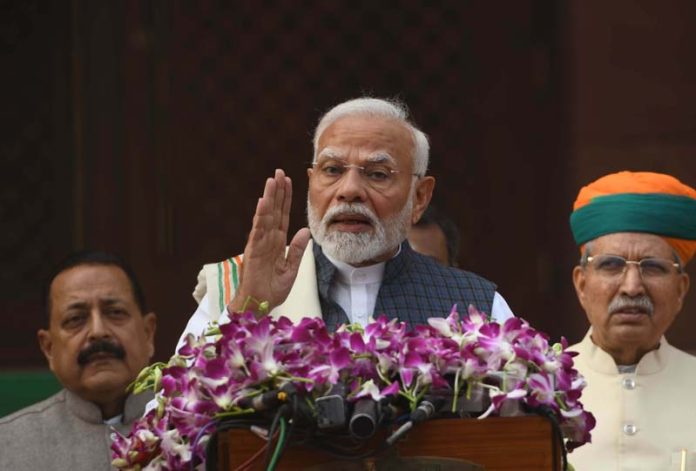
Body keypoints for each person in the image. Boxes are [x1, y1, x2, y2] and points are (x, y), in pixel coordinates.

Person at [181, 97, 514, 343]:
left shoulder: (476, 305)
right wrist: (248, 307)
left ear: (420, 197)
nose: (350, 190)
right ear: (312, 182)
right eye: (333, 170)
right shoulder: (239, 286)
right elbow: (171, 418)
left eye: (378, 174)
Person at [567, 171, 696, 470]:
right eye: (611, 265)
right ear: (582, 284)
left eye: (653, 267)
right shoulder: (537, 390)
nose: (632, 286)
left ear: (680, 289)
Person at [0, 251, 157, 470]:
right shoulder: (7, 448)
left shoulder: (199, 430)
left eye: (115, 312)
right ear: (49, 348)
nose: (98, 331)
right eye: (75, 319)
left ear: (148, 333)